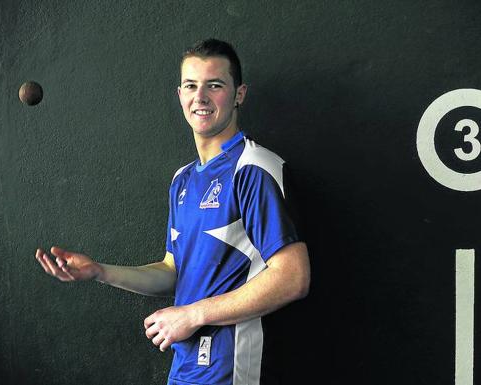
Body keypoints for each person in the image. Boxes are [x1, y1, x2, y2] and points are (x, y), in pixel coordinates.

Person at [35, 38, 310, 385]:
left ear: (239, 94)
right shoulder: (182, 181)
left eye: (215, 85)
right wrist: (99, 271)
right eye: (192, 86)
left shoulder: (254, 168)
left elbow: (293, 277)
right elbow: (172, 271)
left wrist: (193, 314)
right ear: (180, 94)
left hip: (232, 371)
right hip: (185, 368)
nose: (201, 97)